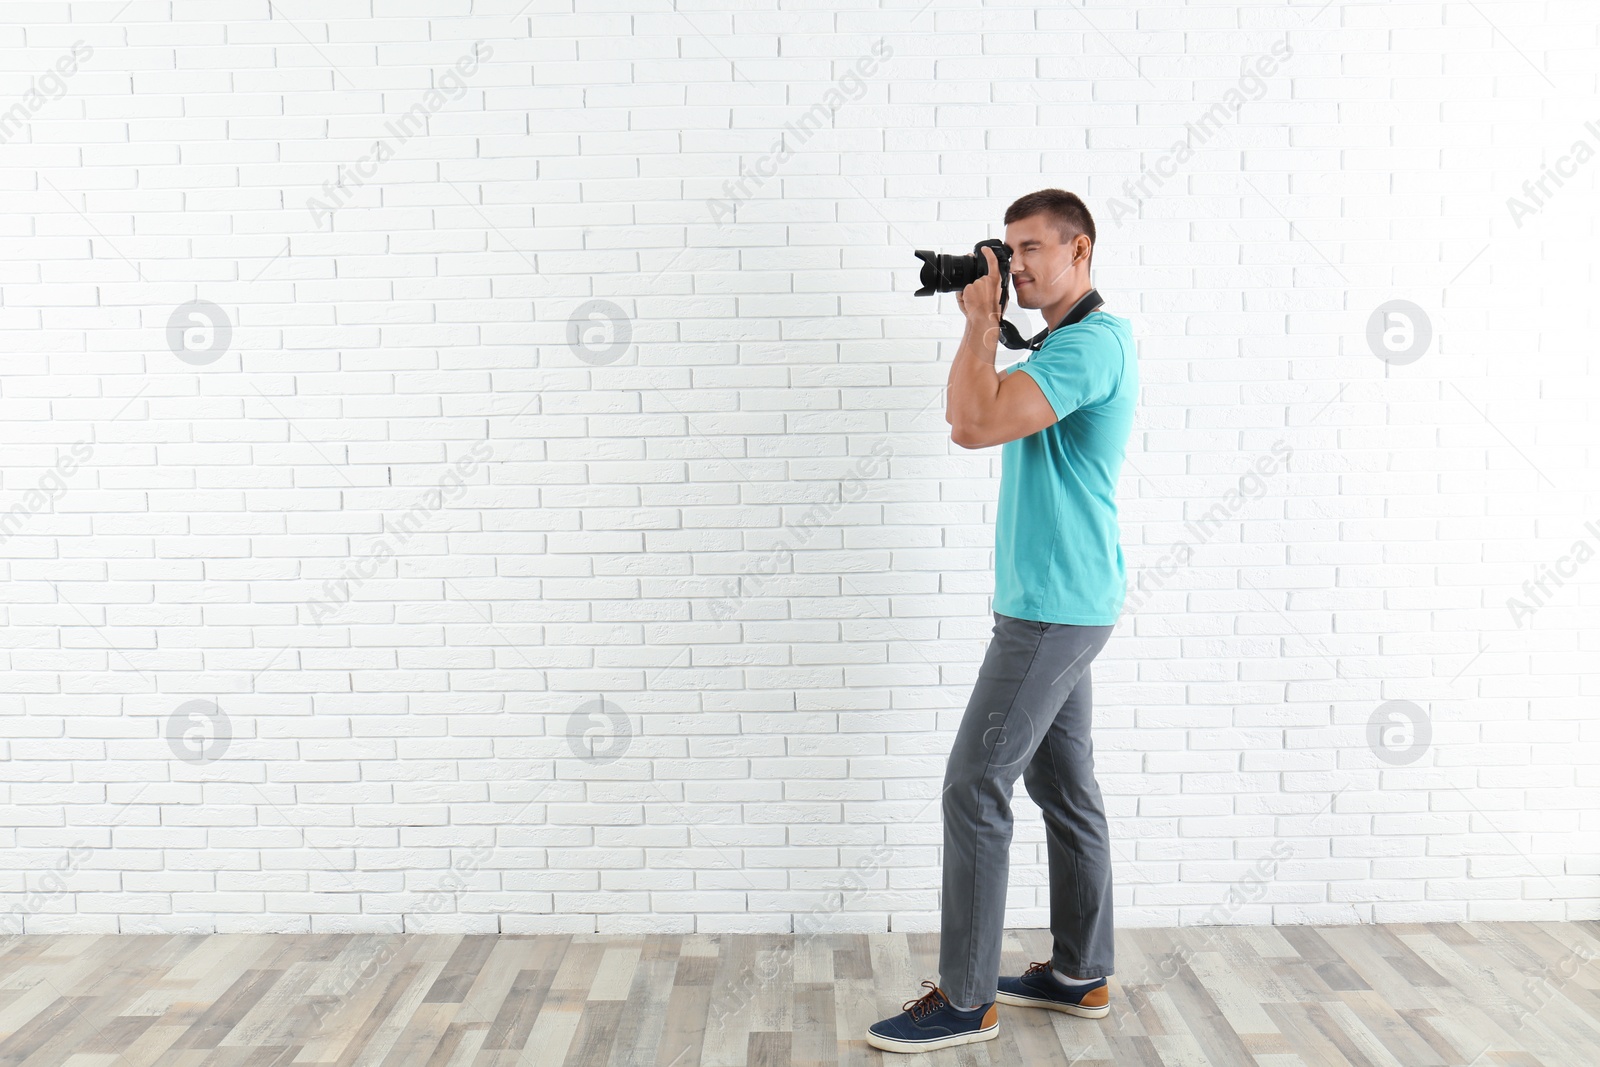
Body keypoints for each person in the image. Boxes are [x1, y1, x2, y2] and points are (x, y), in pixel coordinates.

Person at [867, 189, 1137, 1054]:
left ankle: (967, 999)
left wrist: (980, 321)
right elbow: (971, 414)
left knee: (973, 787)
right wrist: (988, 321)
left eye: (1029, 250)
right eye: (1007, 251)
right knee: (1062, 789)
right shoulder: (1063, 343)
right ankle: (1079, 973)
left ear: (1079, 250)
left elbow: (971, 422)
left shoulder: (1091, 346)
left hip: (1052, 612)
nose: (1014, 266)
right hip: (1061, 601)